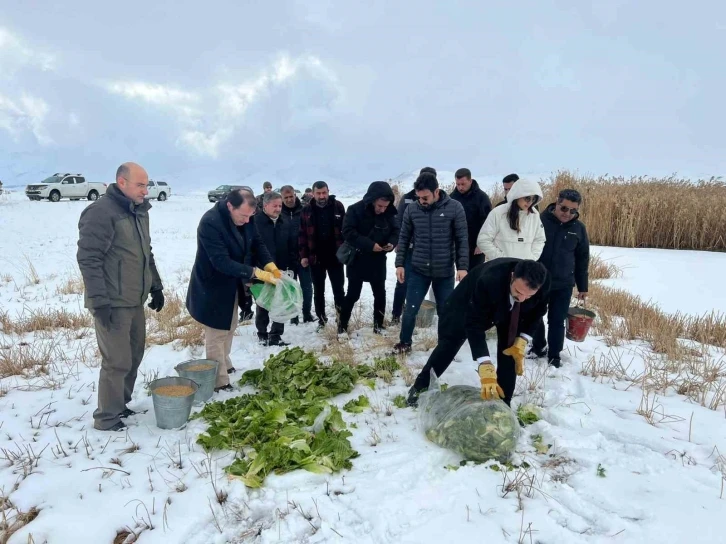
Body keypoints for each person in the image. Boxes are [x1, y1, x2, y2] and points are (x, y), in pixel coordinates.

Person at [77, 162, 165, 432]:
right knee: (117, 361)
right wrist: (99, 300)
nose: (145, 190)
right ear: (121, 182)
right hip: (112, 302)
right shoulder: (101, 213)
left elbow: (145, 252)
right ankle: (106, 418)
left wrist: (156, 285)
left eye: (147, 184)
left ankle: (120, 404)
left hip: (133, 298)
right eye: (140, 185)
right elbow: (88, 259)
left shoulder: (139, 212)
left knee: (134, 355)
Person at [406, 259, 550, 407]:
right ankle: (419, 388)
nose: (522, 298)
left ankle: (503, 403)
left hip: (509, 311)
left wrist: (523, 339)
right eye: (518, 292)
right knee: (449, 344)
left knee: (511, 351)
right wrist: (484, 363)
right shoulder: (490, 280)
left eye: (529, 296)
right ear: (512, 276)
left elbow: (538, 312)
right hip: (465, 305)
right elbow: (474, 324)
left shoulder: (543, 282)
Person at [186, 189, 278, 392]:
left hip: (233, 280)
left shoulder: (246, 217)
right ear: (230, 206)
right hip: (213, 284)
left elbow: (257, 242)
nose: (247, 221)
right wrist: (256, 272)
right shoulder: (211, 222)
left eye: (250, 216)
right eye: (243, 216)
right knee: (216, 330)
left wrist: (270, 264)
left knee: (230, 324)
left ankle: (224, 362)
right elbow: (220, 261)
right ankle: (219, 381)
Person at [393, 172, 469, 353]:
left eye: (425, 197)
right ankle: (404, 343)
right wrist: (400, 264)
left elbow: (462, 239)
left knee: (445, 311)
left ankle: (444, 346)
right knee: (411, 309)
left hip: (444, 271)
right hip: (418, 269)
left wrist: (463, 267)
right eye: (419, 197)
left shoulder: (454, 207)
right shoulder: (412, 209)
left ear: (437, 191)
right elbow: (403, 237)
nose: (422, 201)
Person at [531, 189, 590, 368]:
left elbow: (582, 258)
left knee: (557, 320)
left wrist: (583, 286)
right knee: (534, 316)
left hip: (563, 283)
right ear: (556, 203)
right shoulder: (538, 221)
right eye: (564, 208)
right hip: (538, 281)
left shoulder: (578, 229)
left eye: (573, 211)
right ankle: (538, 347)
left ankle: (554, 355)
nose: (568, 214)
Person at [338, 181, 399, 334]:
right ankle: (342, 327)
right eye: (379, 206)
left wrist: (391, 243)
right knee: (353, 294)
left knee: (380, 294)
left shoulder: (389, 212)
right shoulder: (355, 210)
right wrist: (369, 245)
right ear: (372, 200)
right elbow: (347, 232)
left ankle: (378, 326)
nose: (382, 209)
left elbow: (396, 230)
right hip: (357, 259)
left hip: (378, 260)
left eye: (385, 206)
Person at [391, 166, 437, 325]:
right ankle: (396, 315)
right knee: (402, 282)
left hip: (430, 252)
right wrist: (400, 242)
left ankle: (417, 315)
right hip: (410, 249)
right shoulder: (408, 198)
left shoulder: (442, 202)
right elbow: (399, 222)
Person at [299, 181, 346, 329]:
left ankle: (341, 320)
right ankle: (321, 319)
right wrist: (304, 256)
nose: (321, 196)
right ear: (313, 194)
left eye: (324, 193)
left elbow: (345, 230)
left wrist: (346, 252)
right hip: (315, 258)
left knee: (339, 290)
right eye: (318, 193)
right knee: (319, 291)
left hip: (335, 257)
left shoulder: (338, 206)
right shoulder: (306, 210)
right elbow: (302, 235)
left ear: (328, 191)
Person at [253, 191, 298, 346]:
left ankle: (276, 335)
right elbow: (249, 249)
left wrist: (292, 268)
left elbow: (292, 247)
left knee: (282, 303)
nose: (278, 209)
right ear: (265, 206)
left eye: (280, 205)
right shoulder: (255, 223)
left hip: (282, 271)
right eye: (275, 206)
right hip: (261, 271)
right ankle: (262, 334)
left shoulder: (285, 222)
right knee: (263, 304)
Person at [477, 177, 546, 262]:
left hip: (523, 271)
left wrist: (531, 258)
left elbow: (540, 239)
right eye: (527, 198)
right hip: (498, 269)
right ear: (518, 195)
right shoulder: (498, 213)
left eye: (534, 199)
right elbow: (483, 240)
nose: (530, 202)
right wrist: (501, 259)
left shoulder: (534, 215)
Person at [280, 185, 314, 323]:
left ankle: (307, 313)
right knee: (290, 289)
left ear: (295, 195)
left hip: (303, 256)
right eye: (286, 197)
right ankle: (293, 316)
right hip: (287, 258)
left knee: (306, 287)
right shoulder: (279, 212)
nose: (289, 199)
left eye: (291, 196)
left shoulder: (305, 210)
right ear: (282, 198)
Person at [450, 168, 493, 270]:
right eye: (458, 184)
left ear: (470, 181)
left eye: (463, 184)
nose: (460, 187)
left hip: (476, 246)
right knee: (462, 274)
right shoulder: (452, 198)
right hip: (458, 245)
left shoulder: (482, 198)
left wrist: (481, 244)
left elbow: (487, 222)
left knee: (475, 274)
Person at [236, 185, 257, 321]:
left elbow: (257, 240)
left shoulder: (253, 217)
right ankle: (244, 309)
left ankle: (247, 308)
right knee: (240, 287)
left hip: (250, 258)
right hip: (236, 260)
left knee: (248, 287)